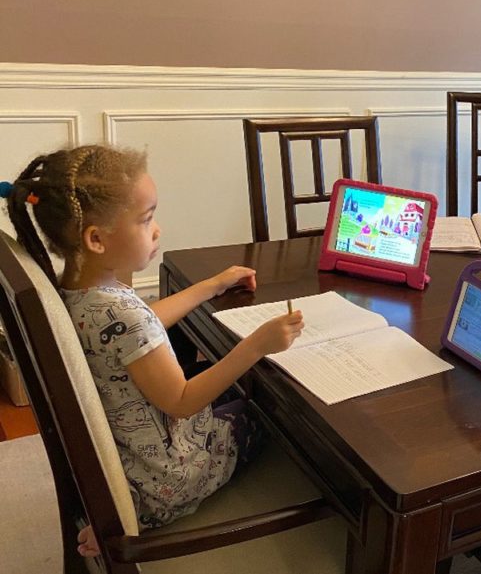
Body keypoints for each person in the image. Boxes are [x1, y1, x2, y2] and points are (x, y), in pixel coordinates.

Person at [2, 145, 304, 557]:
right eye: (146, 219)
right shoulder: (122, 313)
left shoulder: (80, 291)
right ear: (96, 239)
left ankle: (124, 511)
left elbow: (140, 326)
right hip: (167, 479)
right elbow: (182, 402)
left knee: (229, 385)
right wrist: (257, 345)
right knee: (273, 407)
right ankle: (139, 515)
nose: (157, 229)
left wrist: (212, 285)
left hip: (133, 461)